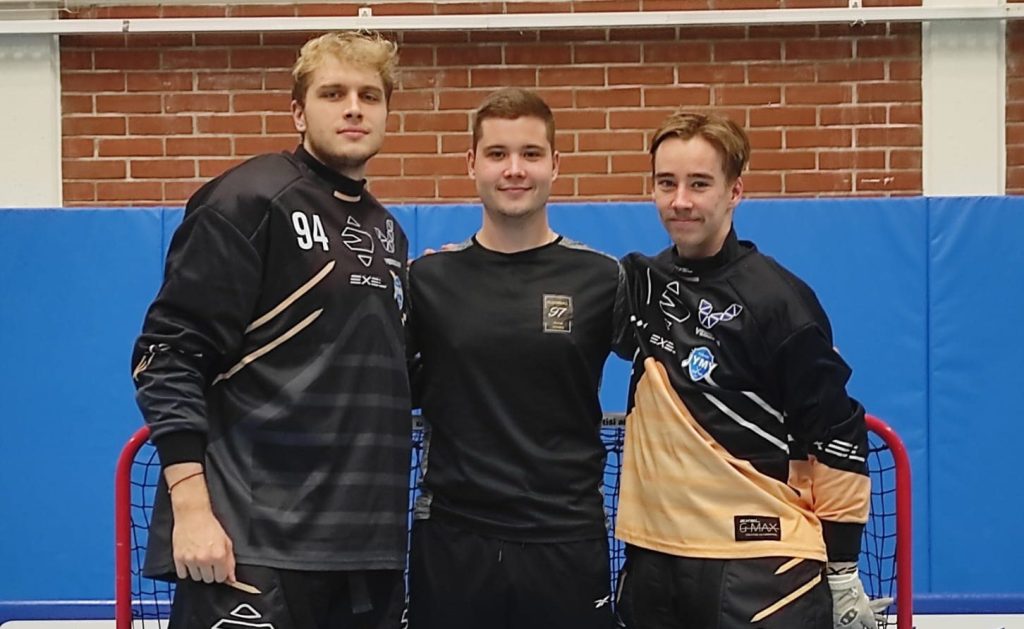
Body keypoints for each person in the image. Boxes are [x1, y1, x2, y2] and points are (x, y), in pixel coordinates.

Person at [130, 31, 410, 629]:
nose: (354, 108)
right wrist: (192, 510)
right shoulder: (250, 199)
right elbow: (167, 355)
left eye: (370, 95)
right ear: (298, 112)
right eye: (333, 93)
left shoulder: (388, 232)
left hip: (365, 553)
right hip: (250, 546)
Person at [614, 111, 887, 629]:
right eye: (666, 183)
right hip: (654, 562)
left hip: (762, 571)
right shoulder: (638, 286)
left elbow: (835, 429)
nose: (680, 201)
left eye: (699, 184)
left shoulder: (779, 302)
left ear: (735, 191)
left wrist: (843, 571)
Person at [405, 87, 622, 629]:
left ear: (555, 164)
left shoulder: (603, 278)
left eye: (530, 153)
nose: (515, 170)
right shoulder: (427, 280)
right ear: (471, 163)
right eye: (498, 154)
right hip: (454, 537)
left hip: (566, 538)